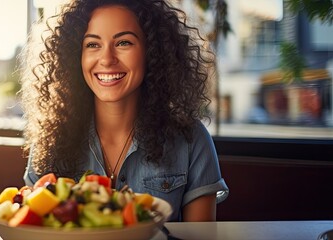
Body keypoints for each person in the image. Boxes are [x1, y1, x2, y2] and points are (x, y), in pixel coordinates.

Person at [19, 0, 229, 222]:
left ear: (152, 51)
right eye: (92, 44)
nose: (107, 59)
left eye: (123, 42)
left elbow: (199, 236)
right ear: (74, 55)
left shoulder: (191, 139)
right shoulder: (51, 140)